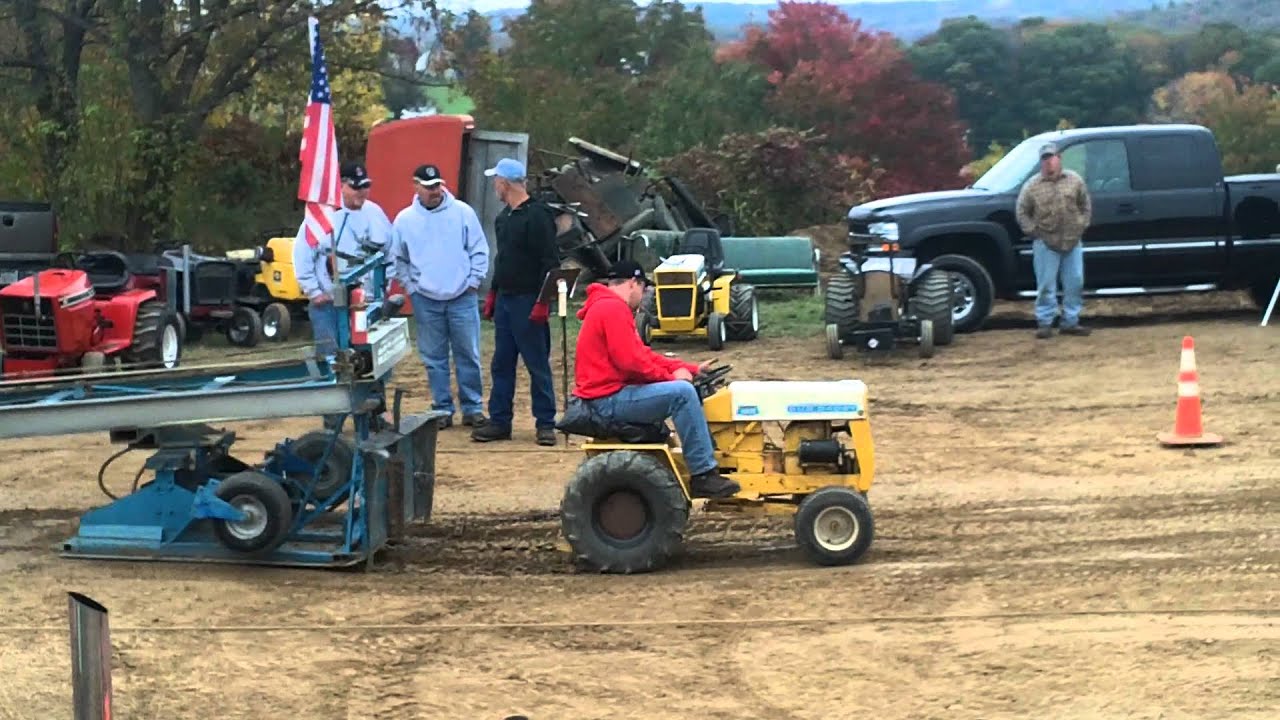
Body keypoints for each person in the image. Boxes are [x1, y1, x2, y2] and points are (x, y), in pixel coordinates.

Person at [570, 260, 740, 499]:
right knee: (682, 394)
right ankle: (703, 474)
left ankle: (708, 457)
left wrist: (689, 368)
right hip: (606, 400)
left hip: (607, 394)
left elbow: (641, 355)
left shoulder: (607, 307)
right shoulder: (612, 309)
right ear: (633, 283)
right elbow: (630, 362)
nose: (644, 295)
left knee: (684, 388)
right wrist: (671, 378)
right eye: (644, 288)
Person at [388, 163, 490, 429]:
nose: (434, 191)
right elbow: (398, 259)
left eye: (437, 186)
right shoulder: (404, 220)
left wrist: (474, 281)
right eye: (428, 187)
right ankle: (442, 408)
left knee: (468, 353)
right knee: (434, 358)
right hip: (426, 299)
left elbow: (479, 249)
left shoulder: (463, 213)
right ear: (416, 187)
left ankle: (473, 407)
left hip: (462, 297)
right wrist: (411, 287)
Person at [293, 161, 394, 430]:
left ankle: (376, 410)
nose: (362, 193)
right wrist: (314, 291)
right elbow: (302, 254)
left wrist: (386, 285)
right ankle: (333, 417)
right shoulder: (320, 218)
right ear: (341, 187)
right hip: (329, 303)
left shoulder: (375, 213)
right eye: (356, 188)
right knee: (331, 358)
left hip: (364, 304)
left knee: (370, 356)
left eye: (365, 187)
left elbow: (390, 251)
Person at [471, 158, 560, 446]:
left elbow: (550, 261)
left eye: (496, 181)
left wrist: (543, 301)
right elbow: (503, 260)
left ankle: (546, 422)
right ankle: (499, 420)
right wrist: (494, 293)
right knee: (502, 363)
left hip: (528, 301)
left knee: (537, 363)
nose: (494, 187)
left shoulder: (538, 216)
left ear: (504, 183)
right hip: (507, 301)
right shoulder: (503, 218)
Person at [1016, 142, 1093, 339]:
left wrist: (1081, 224)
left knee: (1075, 282)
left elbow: (1085, 204)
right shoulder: (1032, 186)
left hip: (1072, 241)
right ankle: (1045, 323)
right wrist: (1034, 232)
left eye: (1051, 157)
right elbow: (1022, 211)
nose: (1048, 162)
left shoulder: (1075, 180)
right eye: (1044, 158)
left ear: (1059, 158)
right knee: (1046, 285)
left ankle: (1071, 321)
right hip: (1046, 242)